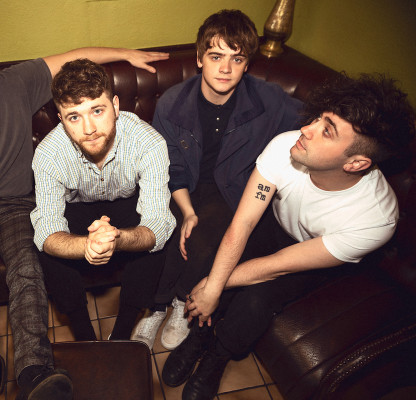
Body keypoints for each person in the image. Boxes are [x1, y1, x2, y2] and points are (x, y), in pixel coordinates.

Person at [0, 10, 168, 400]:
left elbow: (73, 59)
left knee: (27, 272)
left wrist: (126, 53)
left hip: (17, 204)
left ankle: (34, 373)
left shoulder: (15, 83)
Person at [162, 73, 415, 400]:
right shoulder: (286, 145)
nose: (307, 129)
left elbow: (278, 265)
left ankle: (217, 357)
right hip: (276, 222)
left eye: (327, 131)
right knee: (216, 260)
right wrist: (213, 281)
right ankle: (197, 339)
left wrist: (215, 285)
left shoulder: (375, 219)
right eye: (320, 118)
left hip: (314, 253)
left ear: (356, 163)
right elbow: (243, 223)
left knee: (255, 301)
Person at [131, 9, 303, 351]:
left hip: (232, 188)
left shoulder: (267, 100)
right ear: (199, 59)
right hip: (182, 185)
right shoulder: (172, 103)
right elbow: (171, 168)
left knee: (206, 239)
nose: (225, 68)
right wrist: (187, 211)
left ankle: (183, 302)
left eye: (236, 59)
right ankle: (157, 306)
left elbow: (315, 122)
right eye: (215, 56)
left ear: (247, 64)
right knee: (163, 229)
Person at [30, 58, 176, 342]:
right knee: (48, 250)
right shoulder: (48, 155)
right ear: (61, 119)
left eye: (97, 111)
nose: (89, 128)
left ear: (116, 106)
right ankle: (84, 335)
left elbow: (158, 223)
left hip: (126, 204)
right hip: (76, 208)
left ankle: (122, 333)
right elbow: (46, 230)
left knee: (154, 242)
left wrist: (116, 239)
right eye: (74, 117)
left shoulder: (149, 143)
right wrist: (88, 245)